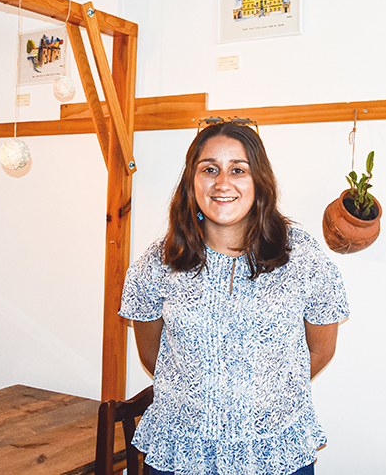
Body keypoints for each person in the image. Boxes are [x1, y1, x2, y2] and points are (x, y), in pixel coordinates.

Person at [119, 120, 350, 475]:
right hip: (182, 453)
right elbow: (154, 356)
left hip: (274, 452)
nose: (222, 183)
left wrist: (264, 400)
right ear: (191, 181)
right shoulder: (159, 262)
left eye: (238, 170)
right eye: (209, 169)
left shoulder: (301, 256)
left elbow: (320, 350)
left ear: (259, 181)